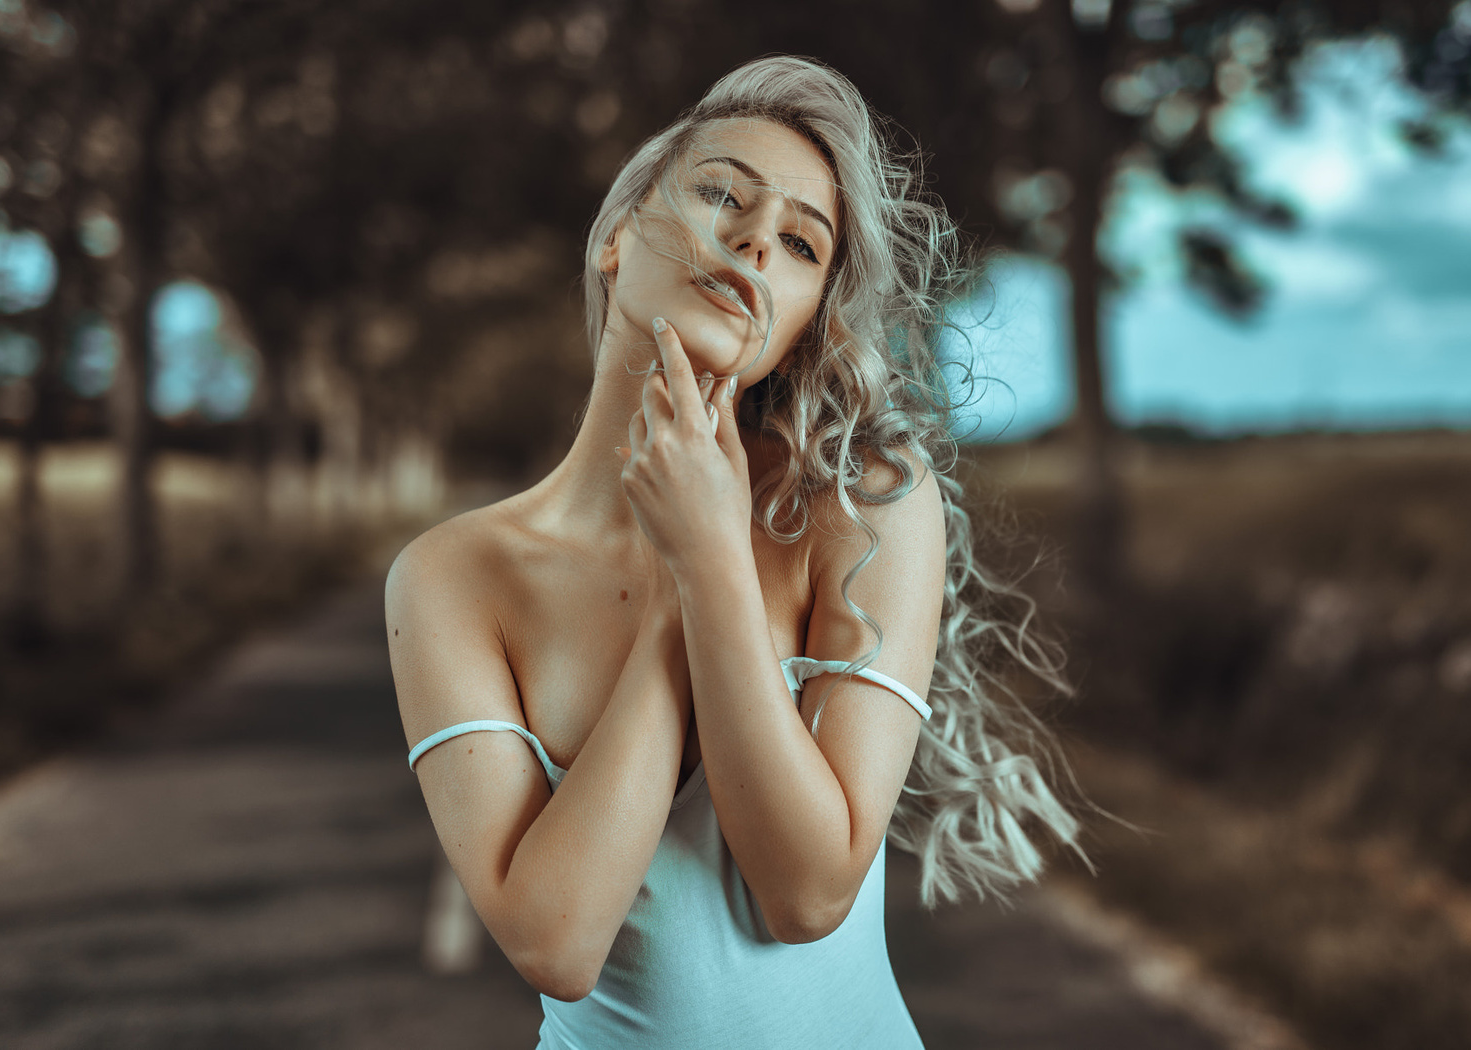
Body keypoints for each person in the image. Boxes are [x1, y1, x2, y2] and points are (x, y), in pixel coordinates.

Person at [388, 54, 1089, 1049]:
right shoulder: (452, 575)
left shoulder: (866, 506)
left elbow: (807, 892)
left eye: (802, 243)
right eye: (725, 193)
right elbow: (555, 940)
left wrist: (716, 560)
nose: (759, 239)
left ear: (804, 327)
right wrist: (685, 581)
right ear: (618, 240)